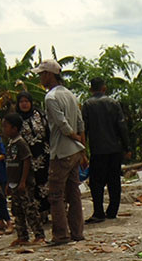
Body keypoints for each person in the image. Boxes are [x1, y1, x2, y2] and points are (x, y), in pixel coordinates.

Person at [31, 59, 85, 246]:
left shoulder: (51, 98)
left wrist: (73, 136)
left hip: (61, 151)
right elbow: (80, 122)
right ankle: (77, 232)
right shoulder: (70, 95)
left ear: (49, 75)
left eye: (41, 74)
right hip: (74, 152)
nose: (40, 78)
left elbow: (62, 124)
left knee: (55, 195)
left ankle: (61, 235)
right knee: (74, 192)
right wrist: (81, 144)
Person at [81, 78, 130, 224]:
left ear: (91, 90)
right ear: (104, 88)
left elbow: (84, 129)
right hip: (114, 149)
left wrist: (83, 151)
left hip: (98, 150)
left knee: (96, 183)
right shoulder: (113, 103)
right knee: (114, 181)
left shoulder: (88, 104)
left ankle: (99, 212)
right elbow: (122, 126)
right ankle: (112, 211)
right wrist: (127, 147)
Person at [1, 113, 46, 245]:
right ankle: (22, 235)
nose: (4, 129)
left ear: (15, 128)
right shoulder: (10, 144)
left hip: (24, 183)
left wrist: (23, 181)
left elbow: (26, 161)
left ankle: (39, 235)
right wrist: (9, 183)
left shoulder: (21, 143)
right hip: (14, 182)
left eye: (6, 126)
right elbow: (10, 165)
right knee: (17, 210)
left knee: (30, 209)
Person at [14, 91, 50, 222]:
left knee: (45, 183)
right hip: (27, 158)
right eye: (21, 102)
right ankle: (37, 215)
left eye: (26, 101)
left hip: (44, 154)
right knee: (32, 186)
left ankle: (47, 211)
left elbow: (48, 131)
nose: (24, 104)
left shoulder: (39, 114)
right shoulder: (16, 119)